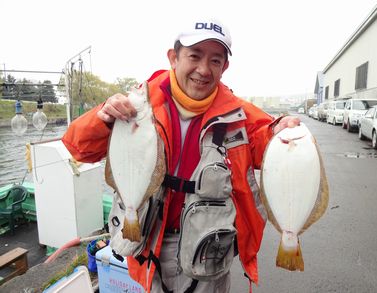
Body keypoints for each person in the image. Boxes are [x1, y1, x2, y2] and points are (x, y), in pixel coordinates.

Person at [62, 18, 300, 293]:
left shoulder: (239, 115)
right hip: (151, 241)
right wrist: (102, 118)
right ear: (173, 57)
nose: (203, 69)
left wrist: (282, 130)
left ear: (225, 67)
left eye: (215, 60)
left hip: (210, 249)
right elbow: (79, 148)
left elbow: (266, 139)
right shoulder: (137, 105)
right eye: (194, 56)